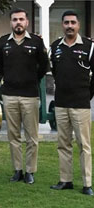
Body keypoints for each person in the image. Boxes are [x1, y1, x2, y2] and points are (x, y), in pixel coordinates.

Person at [0, 8, 48, 184]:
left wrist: (32, 79)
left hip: (30, 96)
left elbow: (44, 66)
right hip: (9, 95)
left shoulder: (36, 42)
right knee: (13, 135)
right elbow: (0, 66)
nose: (18, 22)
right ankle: (17, 170)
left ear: (27, 22)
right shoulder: (3, 42)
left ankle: (30, 171)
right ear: (11, 22)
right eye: (15, 19)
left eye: (21, 19)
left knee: (32, 136)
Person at [49, 11, 94, 196]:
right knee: (63, 144)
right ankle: (65, 180)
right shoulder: (55, 47)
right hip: (61, 104)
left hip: (81, 104)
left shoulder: (89, 47)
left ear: (78, 25)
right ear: (62, 25)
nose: (69, 25)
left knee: (84, 145)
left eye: (73, 22)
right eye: (66, 22)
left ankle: (87, 184)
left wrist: (86, 95)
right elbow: (54, 72)